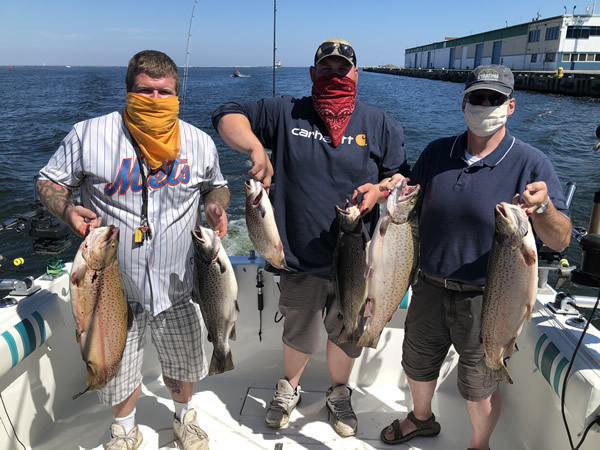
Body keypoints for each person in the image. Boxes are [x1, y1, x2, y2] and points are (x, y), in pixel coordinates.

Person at [212, 38, 409, 437]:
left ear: (356, 74)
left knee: (346, 329)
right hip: (298, 254)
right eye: (326, 69)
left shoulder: (379, 122)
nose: (335, 76)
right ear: (312, 74)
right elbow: (225, 113)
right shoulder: (287, 111)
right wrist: (257, 149)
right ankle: (290, 389)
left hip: (355, 254)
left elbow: (401, 176)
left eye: (343, 69)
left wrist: (381, 191)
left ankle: (339, 393)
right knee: (298, 329)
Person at [37, 50, 231, 450]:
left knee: (184, 360)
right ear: (128, 91)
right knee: (119, 368)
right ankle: (125, 429)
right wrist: (67, 208)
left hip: (178, 284)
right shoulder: (88, 134)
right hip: (114, 287)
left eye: (164, 92)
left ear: (177, 94)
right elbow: (49, 181)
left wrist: (216, 204)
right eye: (145, 91)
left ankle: (184, 419)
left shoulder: (198, 141)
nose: (155, 99)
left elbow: (217, 184)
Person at [380, 64, 572, 449]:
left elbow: (563, 239)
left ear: (511, 106)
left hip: (490, 296)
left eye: (495, 99)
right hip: (429, 286)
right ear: (463, 102)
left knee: (480, 380)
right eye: (478, 98)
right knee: (416, 362)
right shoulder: (437, 152)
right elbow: (409, 207)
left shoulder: (530, 162)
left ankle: (479, 444)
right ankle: (421, 418)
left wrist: (546, 207)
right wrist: (392, 190)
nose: (485, 105)